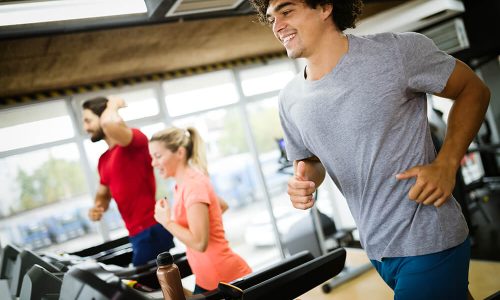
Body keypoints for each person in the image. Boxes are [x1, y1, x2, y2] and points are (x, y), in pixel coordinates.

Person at [250, 0, 491, 299]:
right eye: (272, 18)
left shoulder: (396, 53)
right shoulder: (290, 99)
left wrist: (447, 163)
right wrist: (304, 181)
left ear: (326, 7)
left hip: (429, 237)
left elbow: (473, 90)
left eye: (286, 12)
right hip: (377, 248)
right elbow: (311, 161)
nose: (277, 26)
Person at [149, 126, 252, 294]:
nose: (153, 163)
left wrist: (166, 221)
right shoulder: (182, 184)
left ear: (180, 153)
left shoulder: (193, 185)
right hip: (206, 277)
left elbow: (199, 243)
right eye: (152, 157)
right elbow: (221, 205)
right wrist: (208, 221)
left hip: (225, 279)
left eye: (158, 156)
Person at [82, 96, 175, 266]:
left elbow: (109, 125)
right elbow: (103, 194)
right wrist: (99, 206)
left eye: (88, 121)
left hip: (151, 229)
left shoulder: (134, 141)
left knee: (146, 286)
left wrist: (112, 105)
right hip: (136, 233)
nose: (85, 127)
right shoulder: (103, 160)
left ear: (103, 116)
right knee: (158, 288)